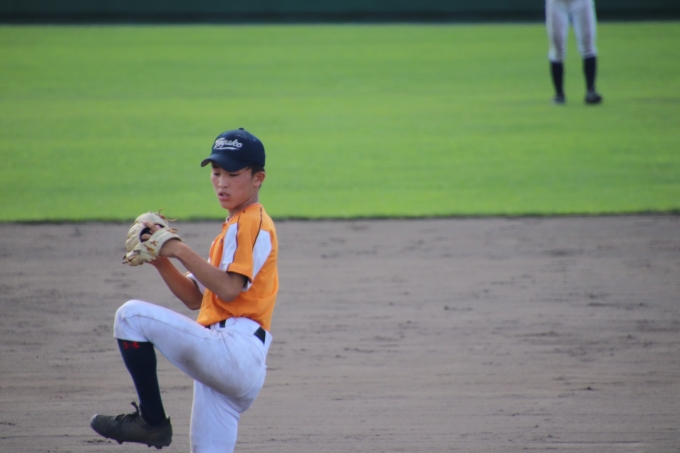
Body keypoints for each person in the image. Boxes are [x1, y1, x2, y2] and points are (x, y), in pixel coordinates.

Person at [89, 128, 279, 453]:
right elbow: (195, 297)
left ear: (258, 178)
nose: (222, 182)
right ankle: (151, 423)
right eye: (216, 172)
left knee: (130, 317)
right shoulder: (231, 229)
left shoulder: (251, 221)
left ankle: (151, 421)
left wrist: (176, 248)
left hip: (234, 350)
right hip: (224, 362)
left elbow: (229, 289)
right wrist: (160, 258)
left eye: (233, 174)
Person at [545, 0, 603, 105]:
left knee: (588, 44)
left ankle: (591, 91)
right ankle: (559, 94)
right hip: (557, 3)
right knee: (557, 46)